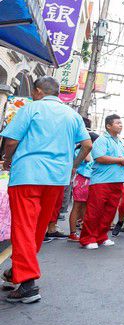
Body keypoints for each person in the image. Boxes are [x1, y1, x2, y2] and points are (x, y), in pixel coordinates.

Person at [0, 77, 91, 303]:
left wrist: (7, 160)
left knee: (23, 227)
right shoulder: (72, 115)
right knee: (38, 227)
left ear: (38, 91)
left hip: (28, 174)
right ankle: (16, 272)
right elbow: (87, 145)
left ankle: (28, 284)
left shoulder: (32, 108)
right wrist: (73, 165)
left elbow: (10, 141)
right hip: (57, 178)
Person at [79, 115, 124, 250]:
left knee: (109, 211)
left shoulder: (121, 141)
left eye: (121, 123)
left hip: (117, 180)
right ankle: (88, 238)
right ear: (108, 126)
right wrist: (120, 160)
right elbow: (99, 158)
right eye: (117, 123)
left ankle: (101, 236)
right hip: (101, 181)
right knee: (95, 210)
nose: (120, 125)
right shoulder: (102, 140)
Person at [68, 132, 100, 242]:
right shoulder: (82, 151)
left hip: (89, 180)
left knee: (85, 206)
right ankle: (72, 233)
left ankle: (82, 228)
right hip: (81, 180)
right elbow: (87, 159)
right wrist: (88, 147)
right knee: (77, 206)